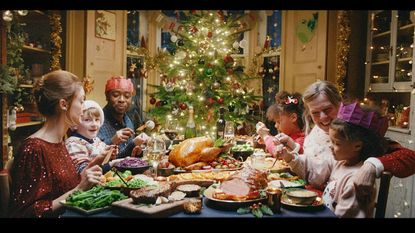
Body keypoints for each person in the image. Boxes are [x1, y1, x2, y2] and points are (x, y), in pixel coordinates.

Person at [285, 80, 415, 199]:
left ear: (339, 104)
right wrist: (293, 148)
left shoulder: (355, 133)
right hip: (306, 197)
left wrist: (371, 165)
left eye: (327, 109)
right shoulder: (316, 131)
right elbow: (316, 160)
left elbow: (410, 157)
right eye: (315, 113)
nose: (323, 118)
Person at [9, 70, 103, 218]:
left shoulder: (60, 142)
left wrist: (82, 178)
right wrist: (79, 189)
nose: (84, 107)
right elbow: (25, 213)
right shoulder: (34, 149)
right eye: (81, 100)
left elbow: (60, 189)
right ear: (64, 104)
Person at [280, 102, 388, 217]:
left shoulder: (356, 180)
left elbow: (344, 214)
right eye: (330, 141)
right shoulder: (341, 161)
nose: (331, 146)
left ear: (357, 146)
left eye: (336, 143)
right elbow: (316, 167)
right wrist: (289, 157)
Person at [65, 100, 122, 174]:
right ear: (75, 124)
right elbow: (83, 172)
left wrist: (111, 154)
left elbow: (105, 163)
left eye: (97, 120)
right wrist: (107, 161)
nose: (94, 124)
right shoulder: (73, 143)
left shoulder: (96, 140)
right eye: (87, 120)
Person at [97, 76, 146, 158]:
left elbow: (124, 155)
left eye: (127, 96)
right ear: (107, 96)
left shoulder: (128, 120)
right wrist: (112, 141)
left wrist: (138, 150)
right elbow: (94, 157)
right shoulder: (97, 121)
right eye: (116, 95)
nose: (122, 100)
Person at [256, 91, 305, 156]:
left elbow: (280, 153)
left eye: (278, 121)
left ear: (293, 117)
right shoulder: (290, 136)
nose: (276, 126)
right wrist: (265, 142)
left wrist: (266, 137)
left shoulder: (303, 139)